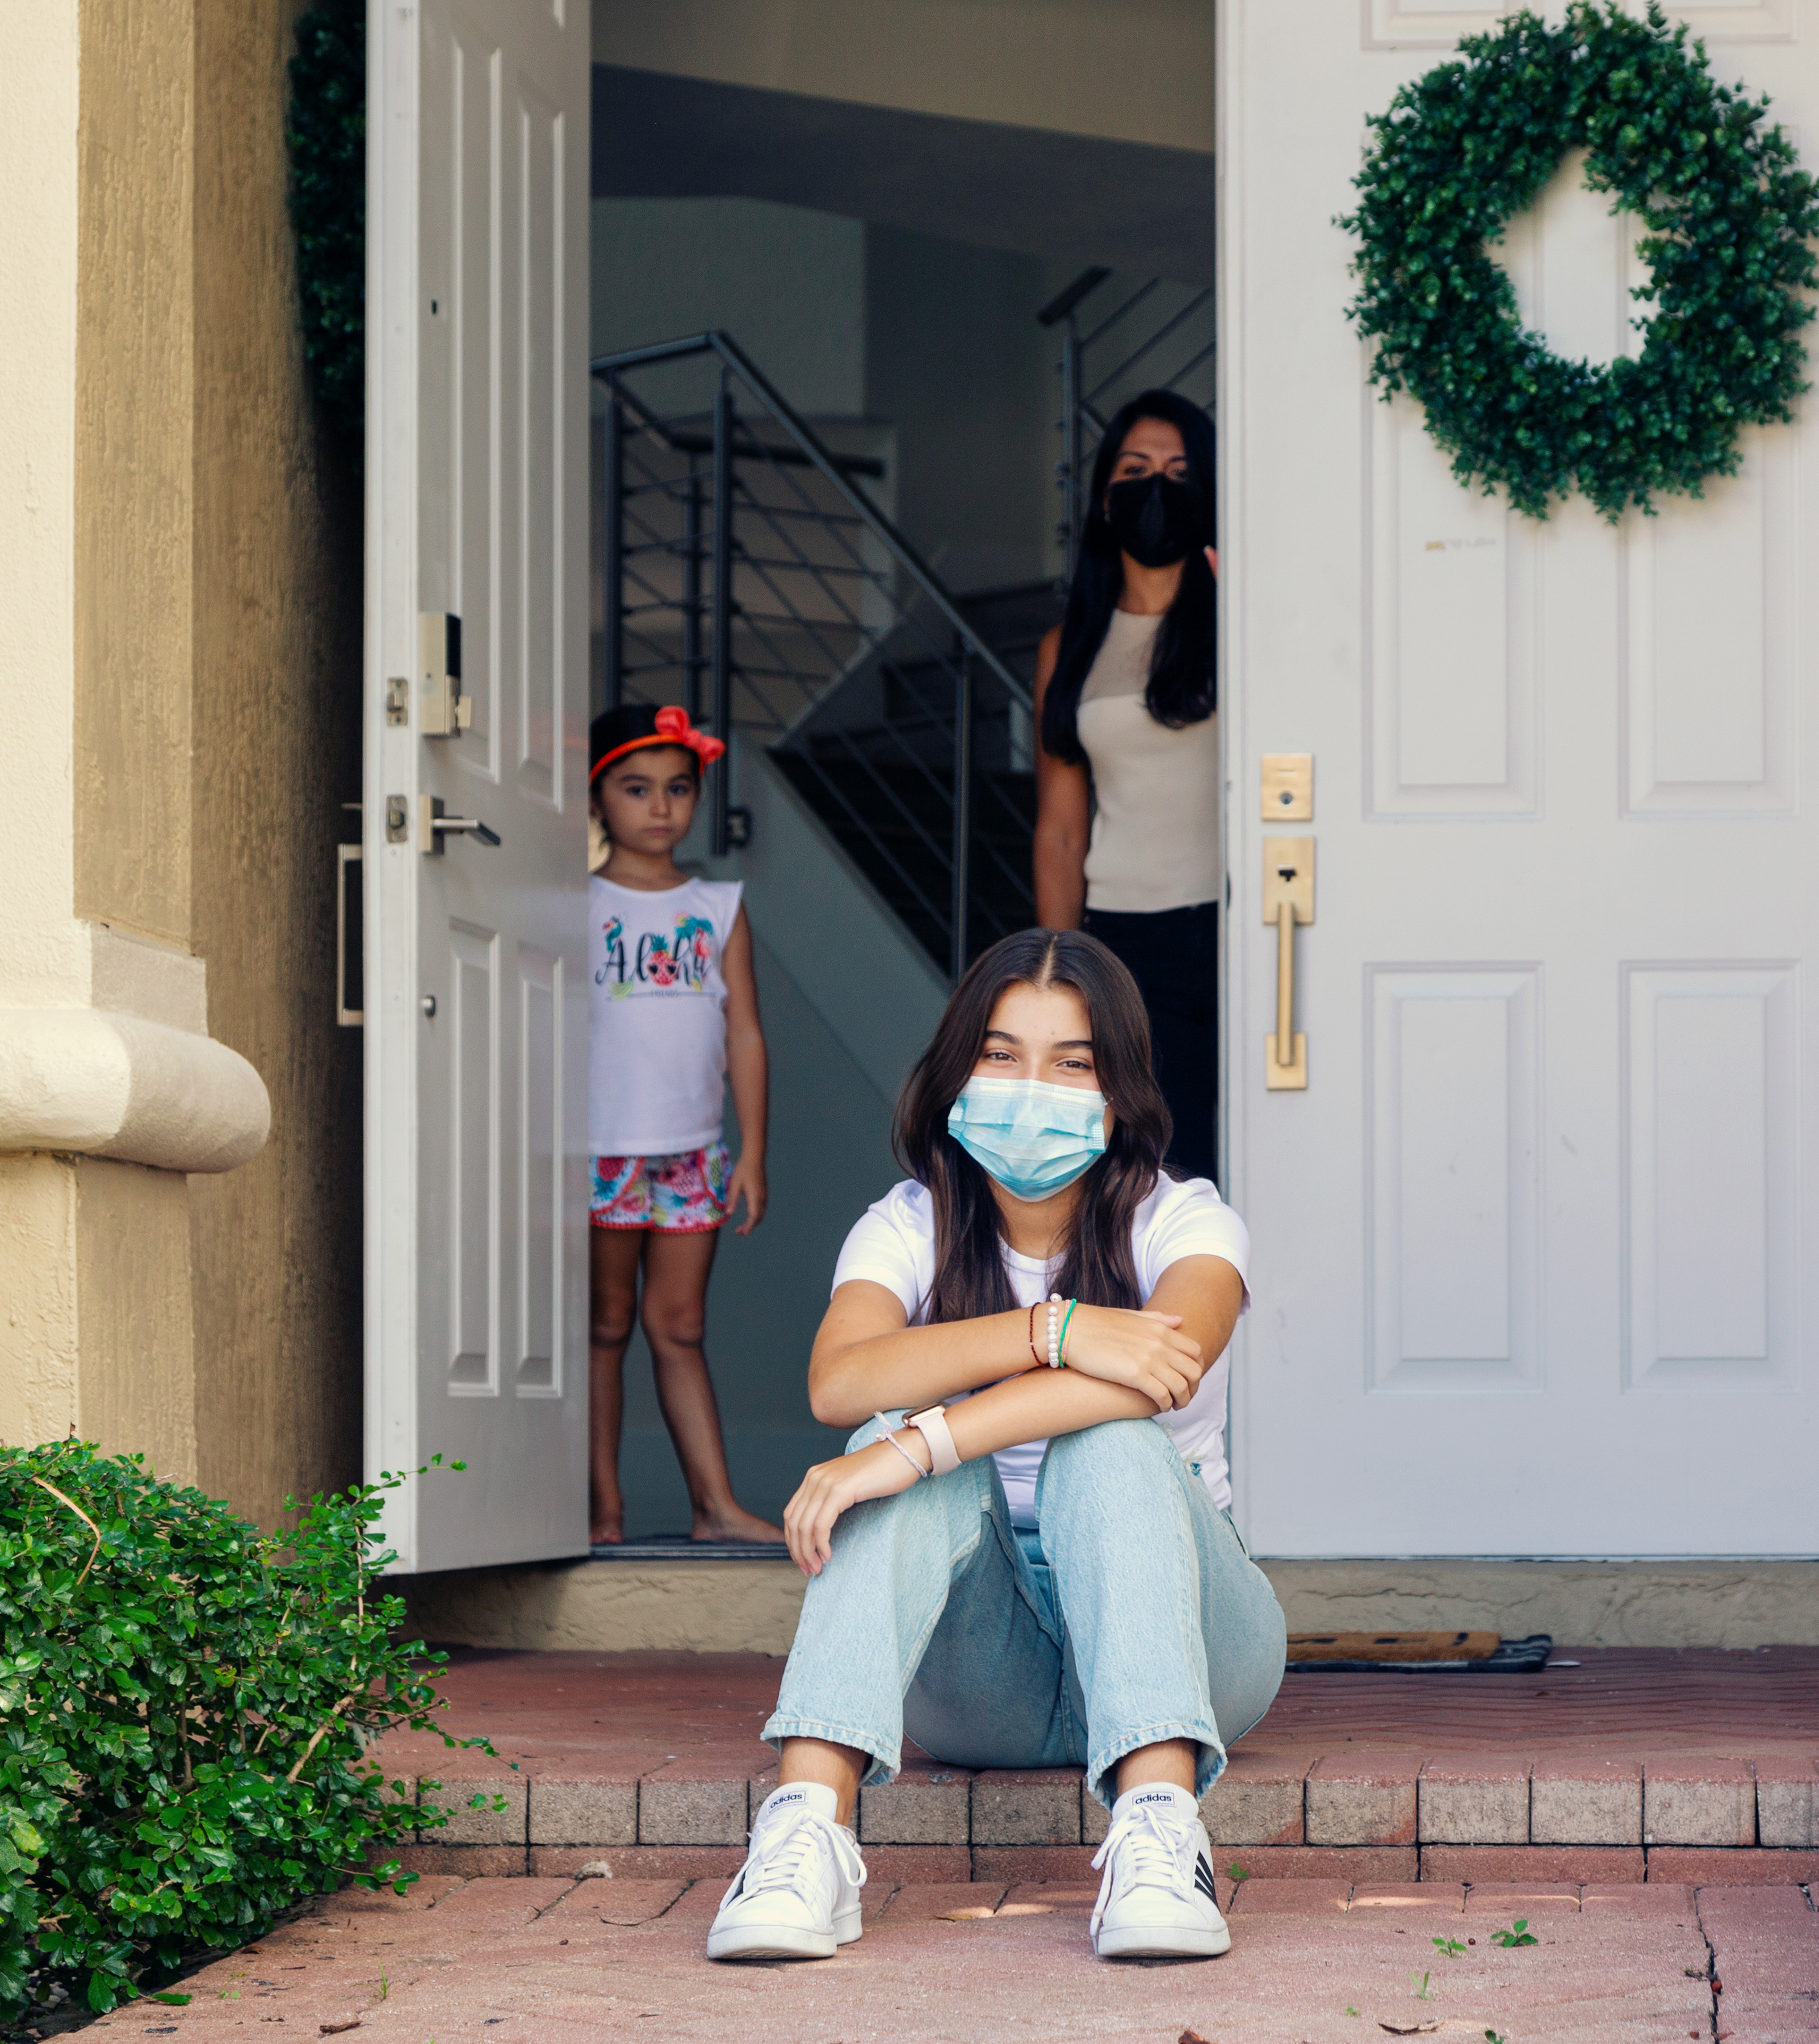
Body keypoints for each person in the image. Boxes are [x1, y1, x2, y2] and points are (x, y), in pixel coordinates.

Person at [706, 928, 1284, 1966]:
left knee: (1097, 1440)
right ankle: (805, 1833)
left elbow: (1167, 1369)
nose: (1033, 1088)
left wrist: (918, 1444)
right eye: (1001, 1054)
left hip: (1192, 1644)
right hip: (988, 1677)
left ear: (1121, 1094)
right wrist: (1049, 1330)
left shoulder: (1186, 1223)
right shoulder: (907, 1226)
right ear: (954, 1071)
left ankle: (1159, 1836)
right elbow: (840, 1377)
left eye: (1073, 1064)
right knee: (889, 1434)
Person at [587, 703, 781, 1547]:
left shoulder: (718, 903)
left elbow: (744, 1030)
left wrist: (752, 1152)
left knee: (681, 1327)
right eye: (637, 789)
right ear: (597, 798)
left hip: (694, 1152)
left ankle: (715, 1507)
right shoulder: (572, 901)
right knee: (603, 1325)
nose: (660, 808)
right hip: (597, 1149)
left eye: (677, 788)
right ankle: (602, 1509)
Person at [1031, 389, 1222, 1184]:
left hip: (1244, 927)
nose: (1156, 488)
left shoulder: (1247, 622)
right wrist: (1056, 969)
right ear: (1106, 495)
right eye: (1137, 469)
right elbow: (1060, 829)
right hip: (1124, 941)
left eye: (1179, 472)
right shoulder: (1066, 646)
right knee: (1153, 1171)